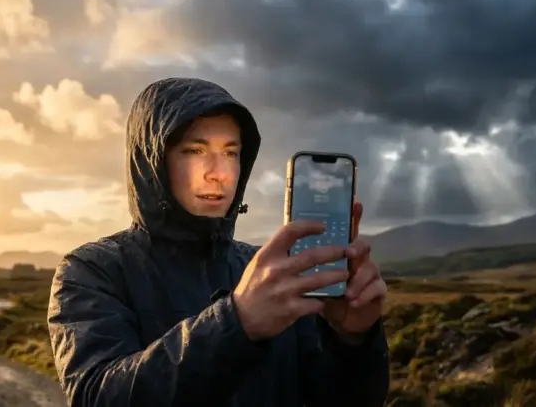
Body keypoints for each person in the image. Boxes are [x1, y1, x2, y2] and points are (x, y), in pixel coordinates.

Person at [47, 77, 390, 407]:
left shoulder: (273, 275)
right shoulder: (91, 271)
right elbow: (96, 396)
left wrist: (351, 341)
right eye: (194, 150)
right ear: (152, 162)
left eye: (231, 152)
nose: (219, 172)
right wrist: (236, 324)